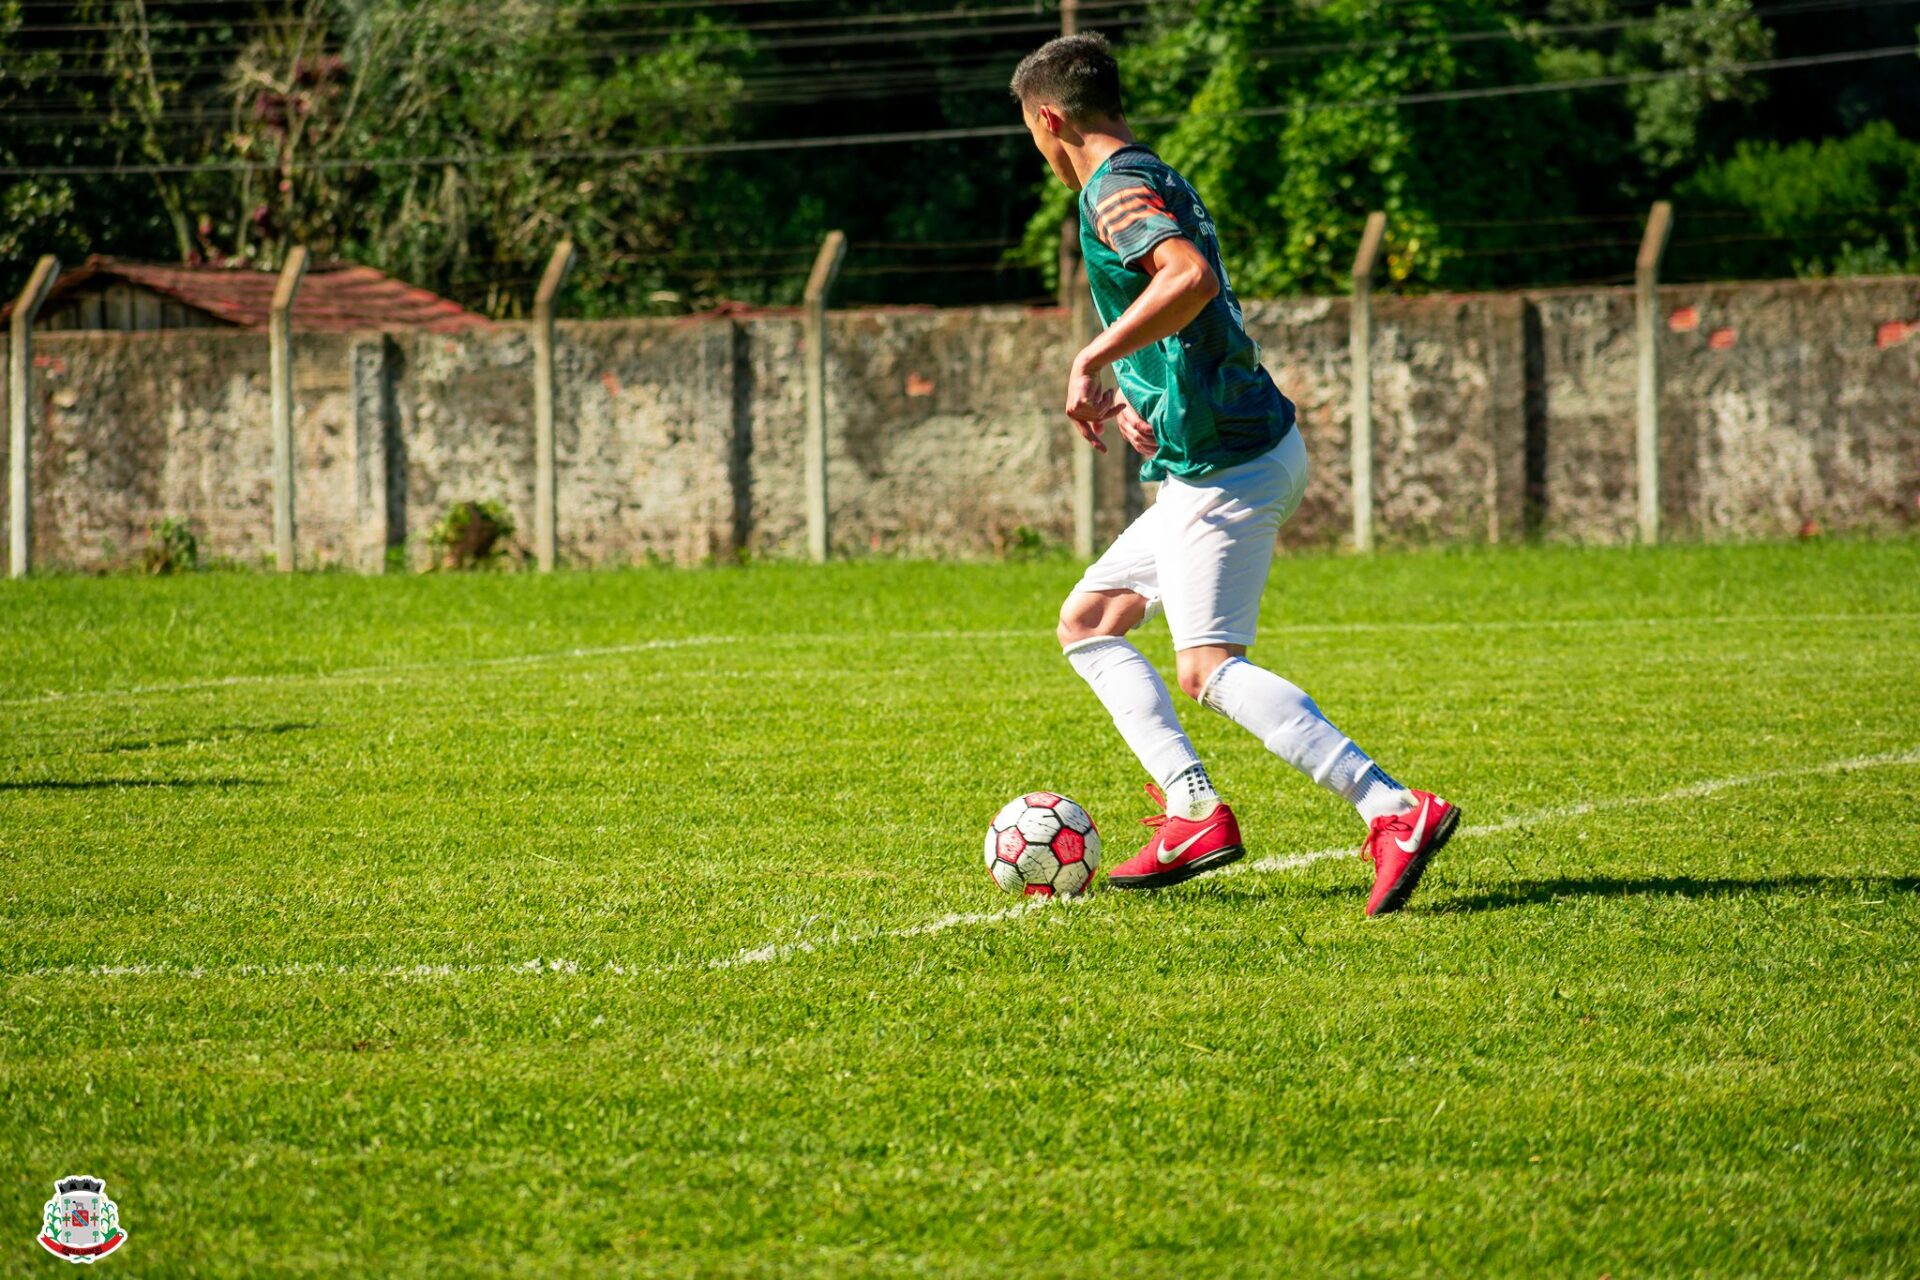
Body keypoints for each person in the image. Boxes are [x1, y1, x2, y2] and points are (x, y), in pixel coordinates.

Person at [1010, 32, 1459, 915]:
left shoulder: (1111, 187)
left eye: (1030, 130)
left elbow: (1187, 276)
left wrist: (1092, 357)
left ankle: (1393, 808)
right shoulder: (1148, 168)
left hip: (1231, 467)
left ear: (1050, 118)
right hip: (1223, 451)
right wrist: (1147, 395)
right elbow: (1188, 313)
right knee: (1091, 619)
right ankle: (1191, 810)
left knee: (1209, 666)